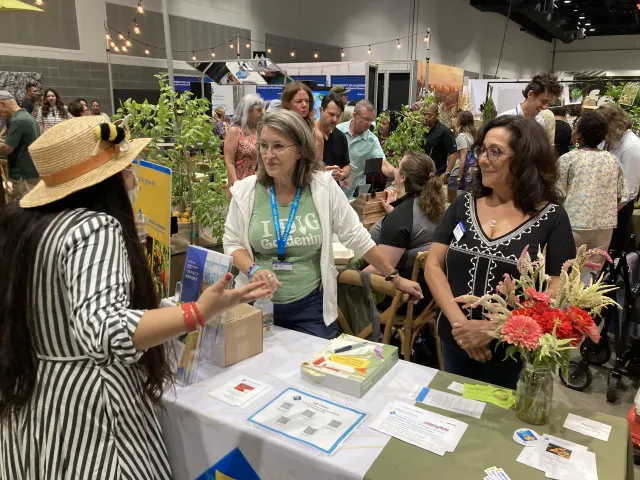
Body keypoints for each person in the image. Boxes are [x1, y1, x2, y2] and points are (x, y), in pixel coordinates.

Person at [0, 116, 271, 479]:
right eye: (127, 168)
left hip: (38, 403)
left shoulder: (26, 225)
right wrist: (196, 312)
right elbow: (104, 329)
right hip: (94, 416)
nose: (133, 177)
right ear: (105, 182)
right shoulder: (95, 228)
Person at [224, 109, 423, 339]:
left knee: (315, 369)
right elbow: (231, 242)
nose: (268, 155)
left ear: (299, 150)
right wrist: (253, 268)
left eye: (278, 146)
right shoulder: (246, 192)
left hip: (310, 308)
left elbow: (356, 236)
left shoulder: (322, 188)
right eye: (264, 146)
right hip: (256, 306)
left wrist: (394, 277)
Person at [425, 116, 576, 389]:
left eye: (495, 151)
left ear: (525, 159)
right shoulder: (463, 204)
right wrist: (462, 328)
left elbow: (558, 286)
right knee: (453, 415)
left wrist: (496, 329)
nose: (482, 159)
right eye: (482, 149)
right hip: (455, 341)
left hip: (514, 353)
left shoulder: (552, 217)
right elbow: (433, 265)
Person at [366, 152, 444, 309]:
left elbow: (382, 269)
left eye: (398, 166)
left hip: (404, 297)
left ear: (403, 178)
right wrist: (394, 211)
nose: (395, 169)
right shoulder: (434, 206)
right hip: (432, 294)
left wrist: (347, 275)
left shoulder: (402, 217)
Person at [557, 111, 627, 272]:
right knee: (590, 277)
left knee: (566, 275)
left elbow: (557, 194)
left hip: (573, 224)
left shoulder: (569, 159)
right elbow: (619, 195)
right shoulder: (612, 160)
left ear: (579, 134)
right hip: (604, 226)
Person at [597, 104, 640, 255]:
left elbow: (629, 190)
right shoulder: (611, 140)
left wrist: (608, 212)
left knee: (612, 252)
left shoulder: (631, 146)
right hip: (604, 206)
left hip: (618, 209)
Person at [336, 100, 395, 198]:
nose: (369, 123)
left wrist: (396, 172)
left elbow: (383, 163)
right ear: (355, 115)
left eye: (371, 120)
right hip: (336, 185)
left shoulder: (371, 140)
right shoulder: (338, 130)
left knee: (359, 208)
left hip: (358, 187)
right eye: (366, 119)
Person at [0, 90, 40, 201]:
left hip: (22, 174)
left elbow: (7, 148)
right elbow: (18, 143)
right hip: (31, 171)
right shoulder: (28, 117)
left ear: (2, 103)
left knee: (24, 209)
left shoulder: (18, 120)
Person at [223, 93, 264, 186]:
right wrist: (236, 185)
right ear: (248, 112)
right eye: (258, 110)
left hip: (256, 182)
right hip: (239, 182)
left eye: (262, 109)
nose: (262, 113)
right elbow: (229, 162)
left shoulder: (259, 130)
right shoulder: (235, 131)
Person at [499, 72, 563, 130]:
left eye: (548, 103)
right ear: (530, 94)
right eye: (543, 101)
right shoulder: (504, 120)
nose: (545, 107)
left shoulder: (540, 123)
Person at [315, 93, 351, 183]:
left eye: (338, 116)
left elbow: (347, 165)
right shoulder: (308, 134)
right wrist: (323, 172)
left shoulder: (341, 137)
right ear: (321, 110)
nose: (334, 119)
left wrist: (343, 174)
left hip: (334, 190)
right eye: (331, 114)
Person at [447, 110, 476, 202]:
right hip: (469, 171)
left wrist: (460, 176)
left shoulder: (462, 136)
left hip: (457, 172)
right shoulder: (472, 136)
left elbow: (463, 156)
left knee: (452, 201)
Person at [422, 103, 458, 178]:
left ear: (437, 115)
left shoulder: (444, 131)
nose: (426, 117)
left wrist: (447, 173)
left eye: (429, 115)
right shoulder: (419, 130)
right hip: (419, 173)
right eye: (424, 114)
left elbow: (453, 153)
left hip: (437, 174)